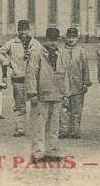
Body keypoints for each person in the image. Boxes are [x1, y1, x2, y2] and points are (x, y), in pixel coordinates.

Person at [26, 27, 68, 162]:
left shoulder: (60, 54)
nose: (53, 43)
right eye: (50, 40)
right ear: (46, 39)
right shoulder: (37, 53)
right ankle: (37, 153)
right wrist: (32, 92)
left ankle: (52, 151)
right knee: (39, 126)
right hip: (41, 96)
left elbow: (64, 74)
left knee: (54, 126)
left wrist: (65, 93)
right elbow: (31, 74)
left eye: (55, 40)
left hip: (56, 95)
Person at [0, 20, 43, 137]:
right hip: (19, 78)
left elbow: (42, 58)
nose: (23, 32)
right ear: (18, 30)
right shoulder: (12, 43)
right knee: (20, 105)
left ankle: (35, 129)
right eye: (21, 30)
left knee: (35, 105)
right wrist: (7, 62)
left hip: (34, 80)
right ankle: (20, 128)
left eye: (25, 30)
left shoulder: (36, 44)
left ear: (29, 30)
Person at [59, 27, 90, 139]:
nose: (71, 39)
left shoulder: (81, 51)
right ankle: (63, 130)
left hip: (77, 83)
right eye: (69, 37)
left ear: (77, 38)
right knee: (64, 108)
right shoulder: (60, 51)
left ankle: (75, 130)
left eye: (74, 37)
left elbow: (85, 68)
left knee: (77, 109)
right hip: (64, 84)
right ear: (65, 38)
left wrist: (85, 82)